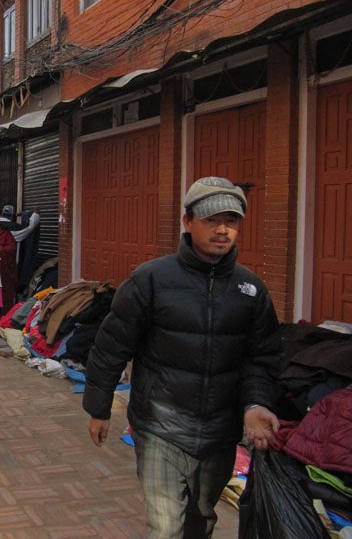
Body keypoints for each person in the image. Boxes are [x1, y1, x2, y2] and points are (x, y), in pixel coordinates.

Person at [83, 176, 282, 539]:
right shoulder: (152, 280)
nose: (222, 230)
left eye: (231, 221)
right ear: (188, 222)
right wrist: (99, 407)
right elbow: (112, 344)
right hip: (161, 425)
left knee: (202, 519)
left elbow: (262, 358)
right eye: (211, 220)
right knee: (164, 527)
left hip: (220, 431)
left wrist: (255, 403)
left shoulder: (251, 290)